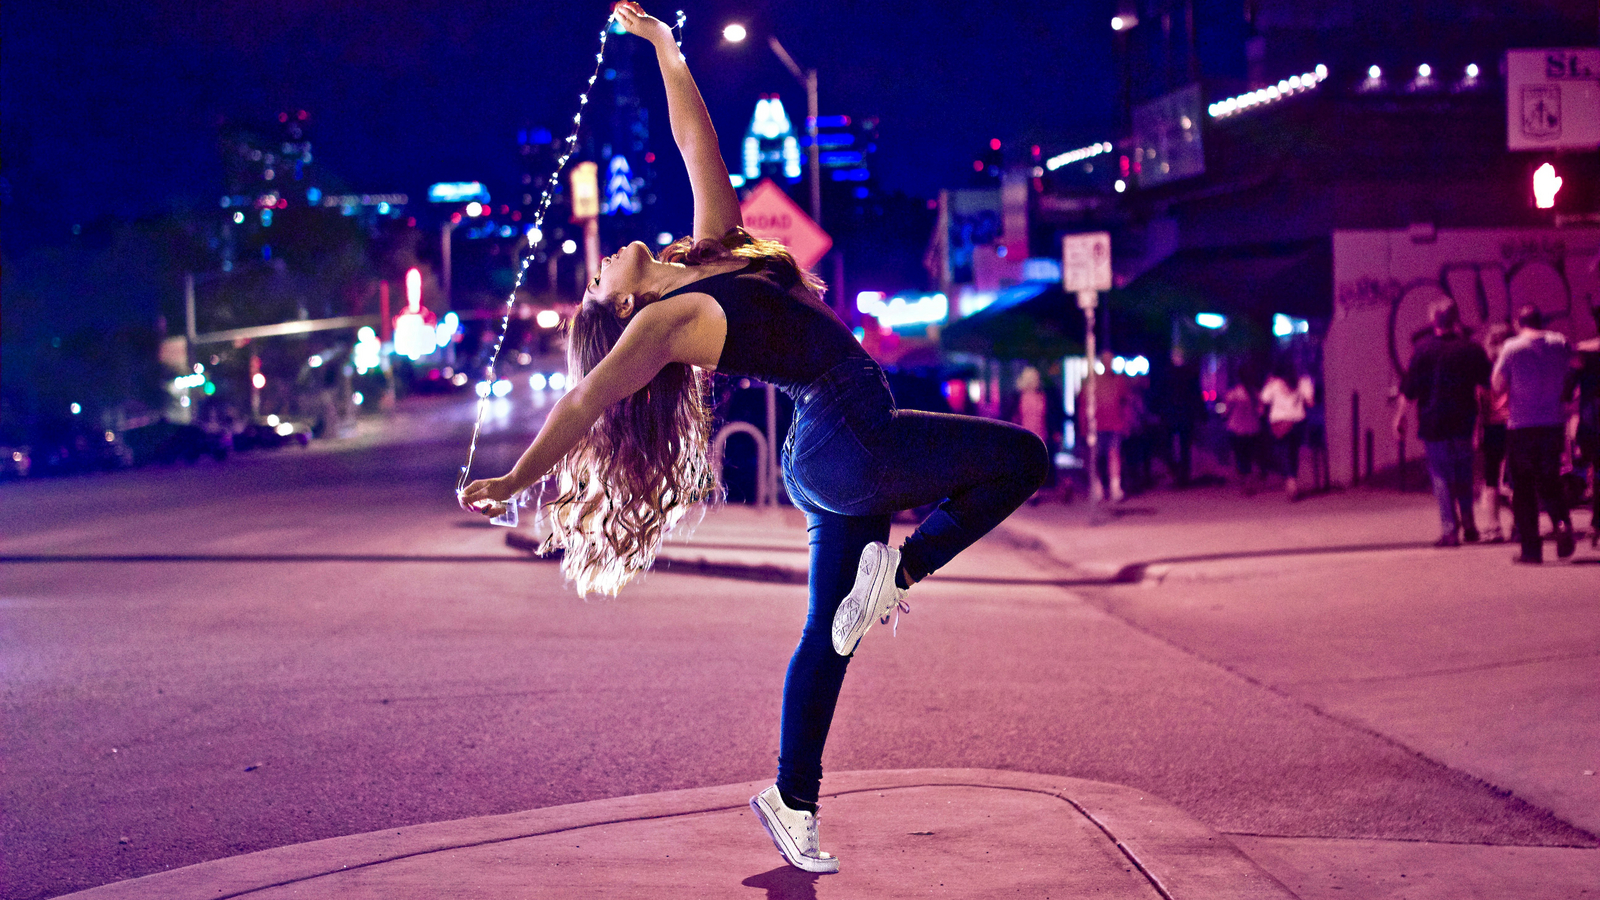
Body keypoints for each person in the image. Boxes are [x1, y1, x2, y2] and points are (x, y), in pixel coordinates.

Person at [459, 3, 1048, 874]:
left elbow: (699, 144)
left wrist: (663, 47)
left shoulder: (709, 257)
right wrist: (513, 482)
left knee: (828, 635)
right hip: (853, 433)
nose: (600, 265)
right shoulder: (662, 322)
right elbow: (584, 402)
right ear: (623, 304)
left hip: (826, 451)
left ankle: (792, 800)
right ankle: (904, 574)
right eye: (596, 282)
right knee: (1023, 459)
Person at [1392, 301, 1491, 546]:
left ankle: (1449, 530)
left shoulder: (1423, 350)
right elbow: (1487, 383)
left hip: (1434, 422)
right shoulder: (1470, 349)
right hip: (1464, 419)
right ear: (1456, 319)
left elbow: (1410, 388)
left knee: (1441, 476)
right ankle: (1469, 525)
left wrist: (1399, 416)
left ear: (1434, 319)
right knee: (1464, 474)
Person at [1492, 305, 1575, 563]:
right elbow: (1575, 366)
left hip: (1522, 427)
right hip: (1553, 423)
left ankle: (1531, 549)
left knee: (1524, 488)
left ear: (1519, 323)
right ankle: (1562, 523)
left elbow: (1497, 384)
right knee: (1550, 481)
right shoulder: (1559, 342)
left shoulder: (1512, 348)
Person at [1567, 304, 1600, 546]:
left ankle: (1595, 523)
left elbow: (1568, 389)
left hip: (1592, 417)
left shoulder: (1583, 353)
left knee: (1597, 469)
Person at [1079, 352, 1132, 502]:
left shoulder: (1118, 381)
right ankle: (1098, 488)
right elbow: (1084, 404)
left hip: (1115, 425)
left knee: (1113, 455)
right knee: (1095, 457)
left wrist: (1126, 423)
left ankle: (1115, 488)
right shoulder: (1093, 381)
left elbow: (1125, 403)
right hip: (1097, 426)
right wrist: (1084, 426)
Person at [1478, 324, 1514, 542]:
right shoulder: (1514, 362)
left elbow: (1480, 399)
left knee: (1491, 478)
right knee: (1517, 477)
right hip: (1515, 423)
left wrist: (1478, 429)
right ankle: (1520, 525)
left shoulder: (1485, 367)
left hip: (1492, 425)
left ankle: (1494, 527)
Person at [1260, 359, 1315, 500]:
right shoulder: (1303, 382)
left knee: (1283, 451)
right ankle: (1292, 479)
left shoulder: (1273, 384)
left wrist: (1268, 383)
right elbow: (1310, 403)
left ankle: (1290, 480)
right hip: (1297, 422)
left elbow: (1263, 401)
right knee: (1293, 451)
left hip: (1279, 423)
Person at [1223, 369, 1264, 494]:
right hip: (1253, 428)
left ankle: (1244, 480)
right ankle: (1248, 479)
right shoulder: (1255, 394)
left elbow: (1225, 412)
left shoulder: (1233, 394)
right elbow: (1261, 412)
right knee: (1249, 455)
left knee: (1240, 456)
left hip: (1236, 429)